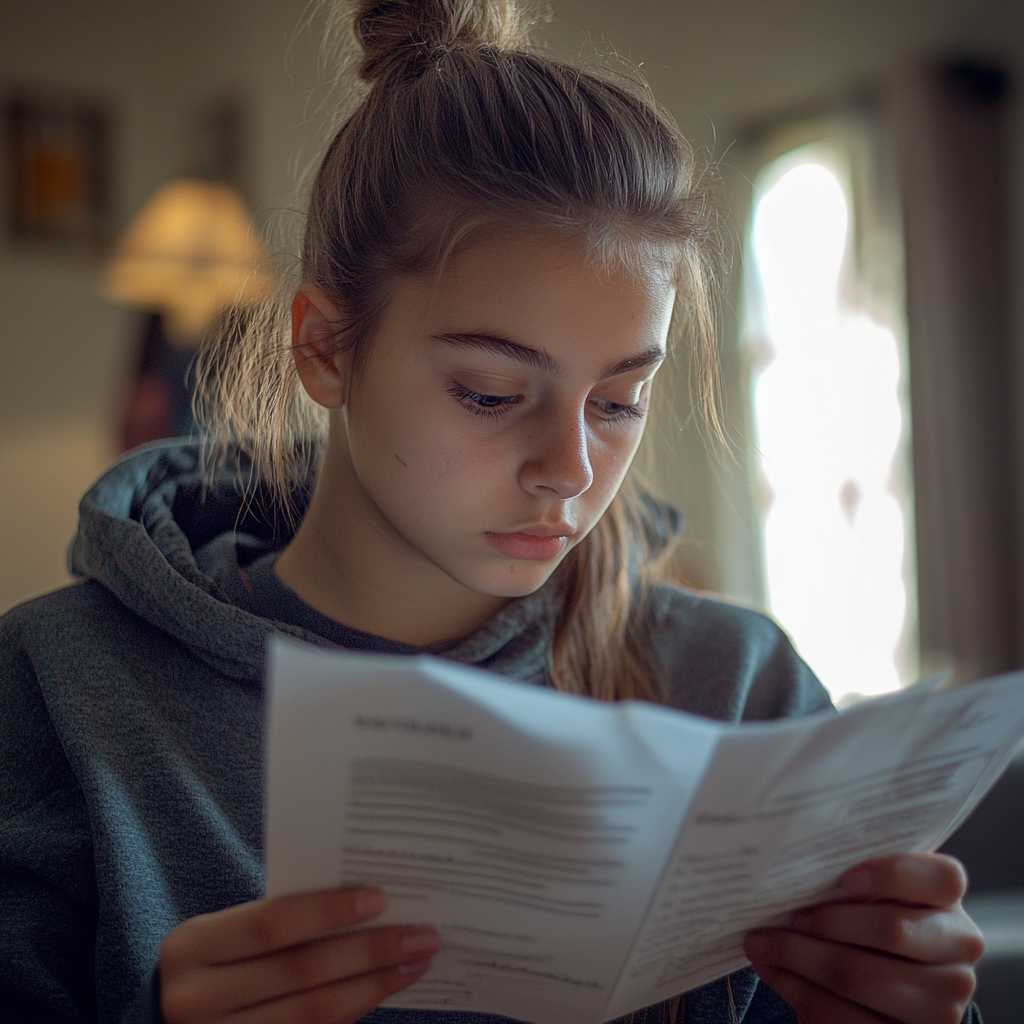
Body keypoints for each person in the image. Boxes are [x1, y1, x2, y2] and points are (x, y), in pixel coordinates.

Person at [0, 2, 985, 1022]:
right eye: (488, 393)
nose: (568, 468)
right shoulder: (58, 687)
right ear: (326, 348)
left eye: (617, 402)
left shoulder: (738, 692)